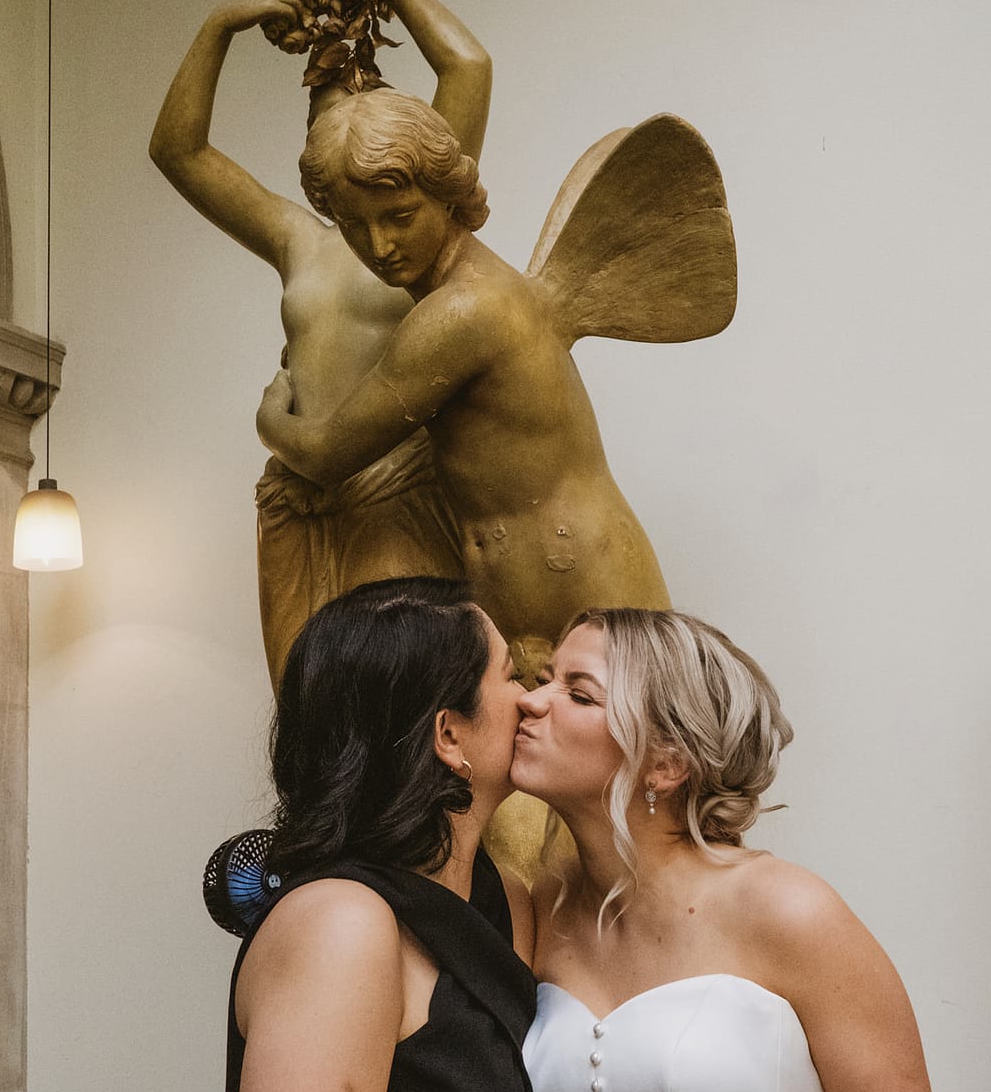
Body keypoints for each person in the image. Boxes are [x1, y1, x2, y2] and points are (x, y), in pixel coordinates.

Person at [513, 610, 952, 1092]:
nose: (532, 702)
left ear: (666, 764)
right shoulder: (540, 914)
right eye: (544, 679)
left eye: (579, 694)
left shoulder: (791, 911)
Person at [256, 91, 686, 685]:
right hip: (528, 604)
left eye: (399, 217)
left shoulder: (463, 312)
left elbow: (326, 455)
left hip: (590, 591)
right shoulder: (465, 301)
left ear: (449, 195)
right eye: (356, 225)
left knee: (637, 769)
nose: (379, 246)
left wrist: (271, 412)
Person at [149, 0, 491, 688]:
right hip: (301, 504)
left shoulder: (416, 219)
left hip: (396, 489)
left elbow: (468, 67)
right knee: (312, 721)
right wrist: (222, 22)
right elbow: (179, 151)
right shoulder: (295, 237)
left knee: (404, 711)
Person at [222, 577, 540, 1092]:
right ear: (449, 736)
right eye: (511, 676)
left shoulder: (504, 896)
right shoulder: (340, 925)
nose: (531, 699)